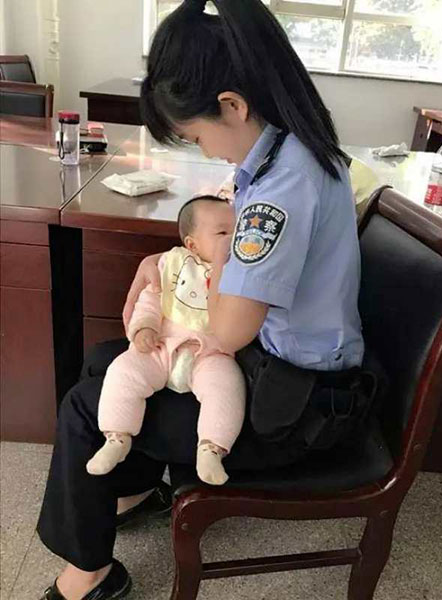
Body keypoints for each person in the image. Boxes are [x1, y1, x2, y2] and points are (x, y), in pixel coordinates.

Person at [37, 0, 364, 598]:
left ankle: (90, 576)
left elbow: (229, 327)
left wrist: (171, 284)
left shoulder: (281, 189)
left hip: (294, 407)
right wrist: (163, 263)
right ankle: (136, 492)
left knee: (88, 403)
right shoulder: (286, 154)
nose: (206, 151)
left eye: (196, 135)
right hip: (280, 368)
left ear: (232, 106)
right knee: (103, 362)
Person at [86, 196, 245, 486]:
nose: (232, 239)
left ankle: (211, 448)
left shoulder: (240, 270)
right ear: (192, 244)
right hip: (162, 345)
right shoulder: (172, 264)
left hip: (209, 353)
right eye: (223, 233)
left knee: (226, 386)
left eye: (237, 230)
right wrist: (143, 328)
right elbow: (150, 299)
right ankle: (117, 437)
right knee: (123, 371)